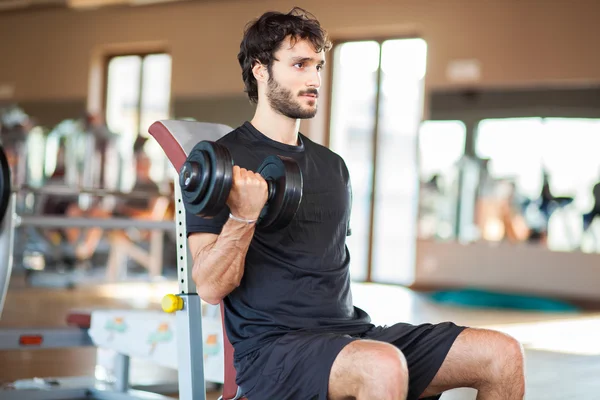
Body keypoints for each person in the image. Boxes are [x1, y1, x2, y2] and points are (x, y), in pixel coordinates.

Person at [185, 8, 525, 400]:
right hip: (274, 352)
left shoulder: (333, 167)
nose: (314, 79)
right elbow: (209, 287)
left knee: (502, 354)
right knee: (381, 365)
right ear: (261, 69)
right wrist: (245, 216)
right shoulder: (221, 162)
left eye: (318, 66)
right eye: (299, 65)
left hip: (350, 335)